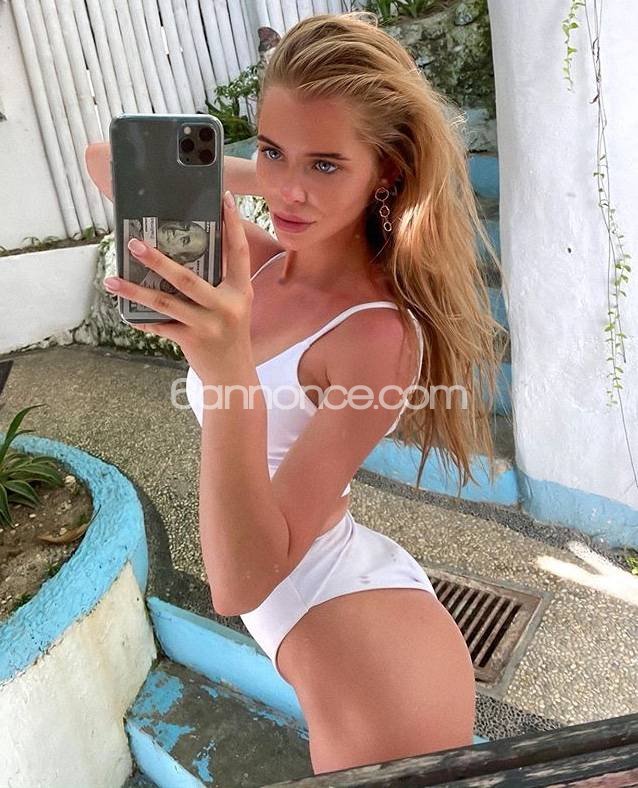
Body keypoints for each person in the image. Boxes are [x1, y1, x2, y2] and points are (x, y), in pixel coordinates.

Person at [85, 11, 504, 776]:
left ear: (386, 172)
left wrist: (226, 372)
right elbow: (105, 163)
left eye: (326, 165)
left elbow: (238, 582)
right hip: (317, 612)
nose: (289, 189)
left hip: (374, 666)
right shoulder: (268, 263)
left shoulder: (377, 335)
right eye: (274, 149)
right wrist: (261, 173)